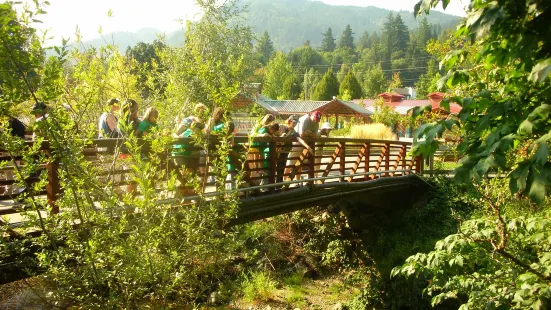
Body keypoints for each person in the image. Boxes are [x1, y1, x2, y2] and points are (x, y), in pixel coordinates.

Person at [277, 116, 299, 183]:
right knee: (276, 167)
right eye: (294, 123)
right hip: (276, 150)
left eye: (296, 123)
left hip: (285, 151)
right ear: (289, 121)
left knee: (282, 166)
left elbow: (298, 137)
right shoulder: (280, 127)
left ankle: (279, 183)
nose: (295, 124)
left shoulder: (294, 132)